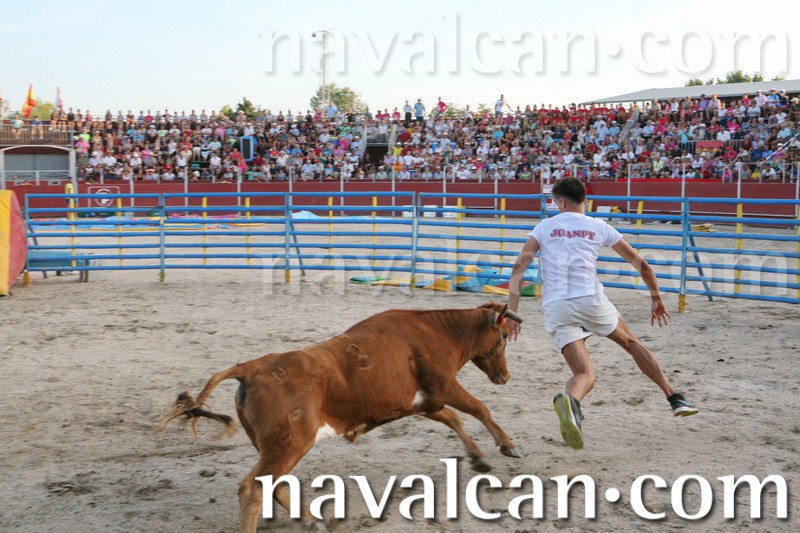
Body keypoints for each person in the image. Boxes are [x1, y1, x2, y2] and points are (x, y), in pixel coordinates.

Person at [506, 177, 698, 451]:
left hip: (557, 306)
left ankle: (572, 402)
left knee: (585, 374)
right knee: (631, 343)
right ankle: (674, 398)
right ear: (585, 199)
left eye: (556, 202)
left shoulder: (544, 227)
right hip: (591, 300)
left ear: (561, 202)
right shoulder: (599, 226)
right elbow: (642, 265)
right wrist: (656, 296)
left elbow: (519, 269)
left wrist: (512, 313)